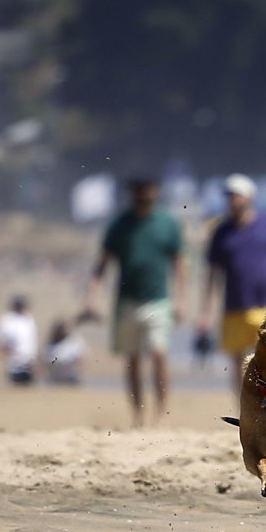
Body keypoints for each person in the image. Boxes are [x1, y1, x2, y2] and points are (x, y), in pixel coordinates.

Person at [82, 178, 185, 427]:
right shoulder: (119, 224)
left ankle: (161, 414)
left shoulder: (167, 223)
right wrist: (92, 298)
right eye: (139, 190)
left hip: (158, 299)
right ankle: (138, 415)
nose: (144, 194)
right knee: (133, 359)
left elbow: (179, 263)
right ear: (132, 193)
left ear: (156, 192)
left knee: (159, 354)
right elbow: (102, 263)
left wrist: (180, 300)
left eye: (148, 189)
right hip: (127, 300)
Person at [197, 174, 266, 392]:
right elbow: (212, 275)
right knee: (238, 364)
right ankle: (244, 406)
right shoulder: (221, 232)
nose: (232, 200)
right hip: (234, 308)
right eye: (229, 196)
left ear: (249, 197)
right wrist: (206, 312)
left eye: (236, 196)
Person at [0, 294, 38, 386]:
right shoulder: (7, 320)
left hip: (29, 363)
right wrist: (9, 355)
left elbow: (32, 341)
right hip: (14, 363)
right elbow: (2, 342)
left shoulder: (28, 319)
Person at [46, 319, 86, 385]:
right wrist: (54, 361)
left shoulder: (74, 342)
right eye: (61, 329)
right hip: (56, 377)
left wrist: (78, 366)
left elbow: (81, 358)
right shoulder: (52, 345)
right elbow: (52, 360)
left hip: (71, 377)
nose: (63, 331)